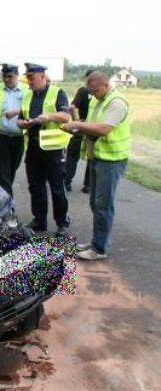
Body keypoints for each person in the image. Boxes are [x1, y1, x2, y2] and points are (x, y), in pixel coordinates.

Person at [63, 71, 130, 260]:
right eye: (89, 91)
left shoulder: (116, 102)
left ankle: (99, 248)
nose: (91, 94)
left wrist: (77, 125)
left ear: (105, 85)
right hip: (98, 158)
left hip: (111, 160)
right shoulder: (97, 100)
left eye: (94, 91)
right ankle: (97, 242)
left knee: (103, 205)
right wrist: (78, 125)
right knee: (95, 202)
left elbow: (103, 128)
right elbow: (92, 123)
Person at [17, 63, 71, 234]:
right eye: (27, 78)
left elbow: (65, 116)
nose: (29, 82)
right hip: (33, 147)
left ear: (42, 76)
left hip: (53, 148)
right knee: (35, 186)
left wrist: (48, 116)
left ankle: (62, 223)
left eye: (31, 78)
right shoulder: (27, 96)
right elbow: (19, 119)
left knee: (57, 187)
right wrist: (23, 123)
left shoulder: (57, 93)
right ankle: (40, 220)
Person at [0, 64, 25, 197]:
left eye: (10, 76)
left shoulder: (26, 90)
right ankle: (8, 207)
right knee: (3, 174)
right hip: (2, 137)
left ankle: (3, 198)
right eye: (4, 76)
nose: (6, 79)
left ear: (17, 75)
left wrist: (17, 111)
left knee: (11, 172)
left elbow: (32, 110)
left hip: (20, 138)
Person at [66, 70, 93, 193]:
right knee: (92, 156)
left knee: (72, 155)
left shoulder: (83, 90)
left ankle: (67, 182)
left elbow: (71, 107)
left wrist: (76, 121)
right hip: (94, 127)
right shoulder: (100, 93)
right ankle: (88, 185)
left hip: (81, 127)